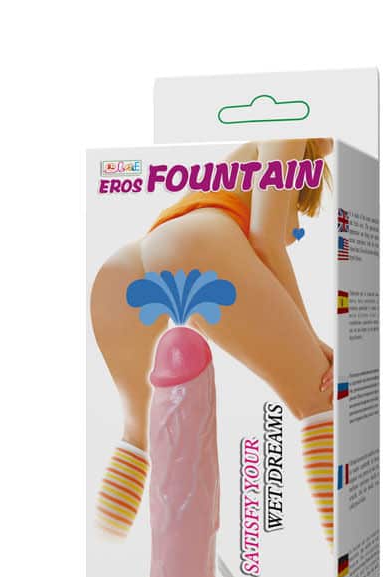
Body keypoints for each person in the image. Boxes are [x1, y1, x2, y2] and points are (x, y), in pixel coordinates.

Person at [91, 138, 335, 545]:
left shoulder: (282, 155)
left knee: (136, 436)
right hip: (195, 245)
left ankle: (105, 543)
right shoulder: (289, 130)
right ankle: (340, 562)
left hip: (130, 264)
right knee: (323, 398)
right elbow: (266, 240)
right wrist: (310, 339)